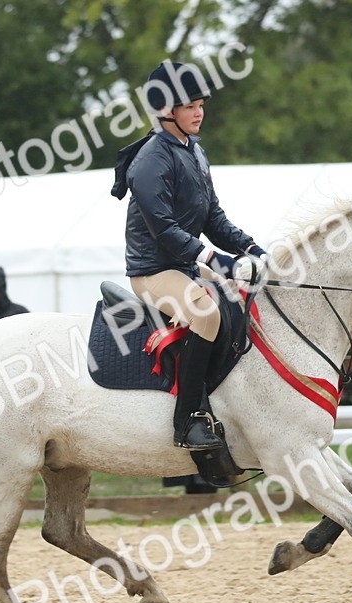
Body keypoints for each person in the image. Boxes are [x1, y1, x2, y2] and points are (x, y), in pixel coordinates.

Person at [111, 60, 267, 452]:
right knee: (207, 313)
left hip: (182, 265)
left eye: (201, 104)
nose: (200, 112)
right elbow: (164, 230)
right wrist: (216, 260)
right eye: (191, 106)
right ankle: (188, 420)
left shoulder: (194, 151)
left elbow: (212, 217)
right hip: (153, 270)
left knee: (244, 299)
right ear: (167, 110)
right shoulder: (150, 161)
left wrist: (250, 247)